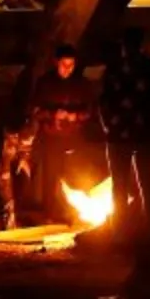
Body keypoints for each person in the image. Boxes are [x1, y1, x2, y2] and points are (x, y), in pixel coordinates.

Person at [96, 28, 150, 236]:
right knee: (140, 185)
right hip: (134, 134)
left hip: (131, 134)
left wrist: (109, 125)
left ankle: (127, 230)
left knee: (131, 185)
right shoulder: (148, 68)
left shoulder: (118, 69)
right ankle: (146, 230)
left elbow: (103, 101)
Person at [27, 43, 95, 216]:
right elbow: (35, 111)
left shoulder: (82, 84)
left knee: (74, 174)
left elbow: (90, 111)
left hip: (74, 138)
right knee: (51, 175)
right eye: (64, 65)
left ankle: (73, 211)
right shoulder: (45, 83)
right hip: (52, 137)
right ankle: (50, 211)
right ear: (56, 62)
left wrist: (75, 116)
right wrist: (53, 114)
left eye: (71, 65)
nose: (68, 69)